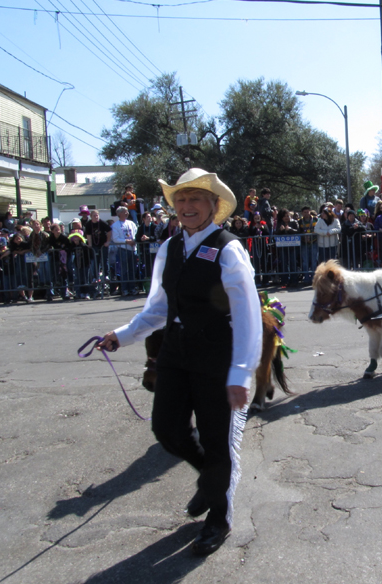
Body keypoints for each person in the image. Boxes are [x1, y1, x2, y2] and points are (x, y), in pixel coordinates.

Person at [96, 168, 261, 557]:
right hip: (175, 352)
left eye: (195, 199)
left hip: (217, 356)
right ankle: (211, 479)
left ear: (213, 206)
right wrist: (122, 334)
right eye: (181, 199)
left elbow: (248, 315)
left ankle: (218, 517)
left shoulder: (228, 249)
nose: (187, 206)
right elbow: (158, 308)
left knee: (217, 440)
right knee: (167, 429)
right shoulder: (169, 248)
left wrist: (241, 373)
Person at [111, 207, 138, 296]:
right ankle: (124, 289)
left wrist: (134, 241)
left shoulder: (131, 223)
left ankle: (132, 288)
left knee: (132, 270)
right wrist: (126, 241)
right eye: (125, 212)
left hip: (132, 250)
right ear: (120, 214)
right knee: (124, 270)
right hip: (123, 250)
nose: (127, 213)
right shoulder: (115, 225)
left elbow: (136, 233)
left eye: (127, 212)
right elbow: (115, 239)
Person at [298, 207, 318, 283]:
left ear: (310, 212)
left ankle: (313, 278)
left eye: (308, 212)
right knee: (305, 262)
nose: (306, 214)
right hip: (304, 243)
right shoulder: (300, 221)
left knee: (314, 261)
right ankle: (306, 278)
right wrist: (303, 236)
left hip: (314, 242)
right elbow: (298, 231)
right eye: (305, 212)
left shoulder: (316, 219)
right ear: (302, 213)